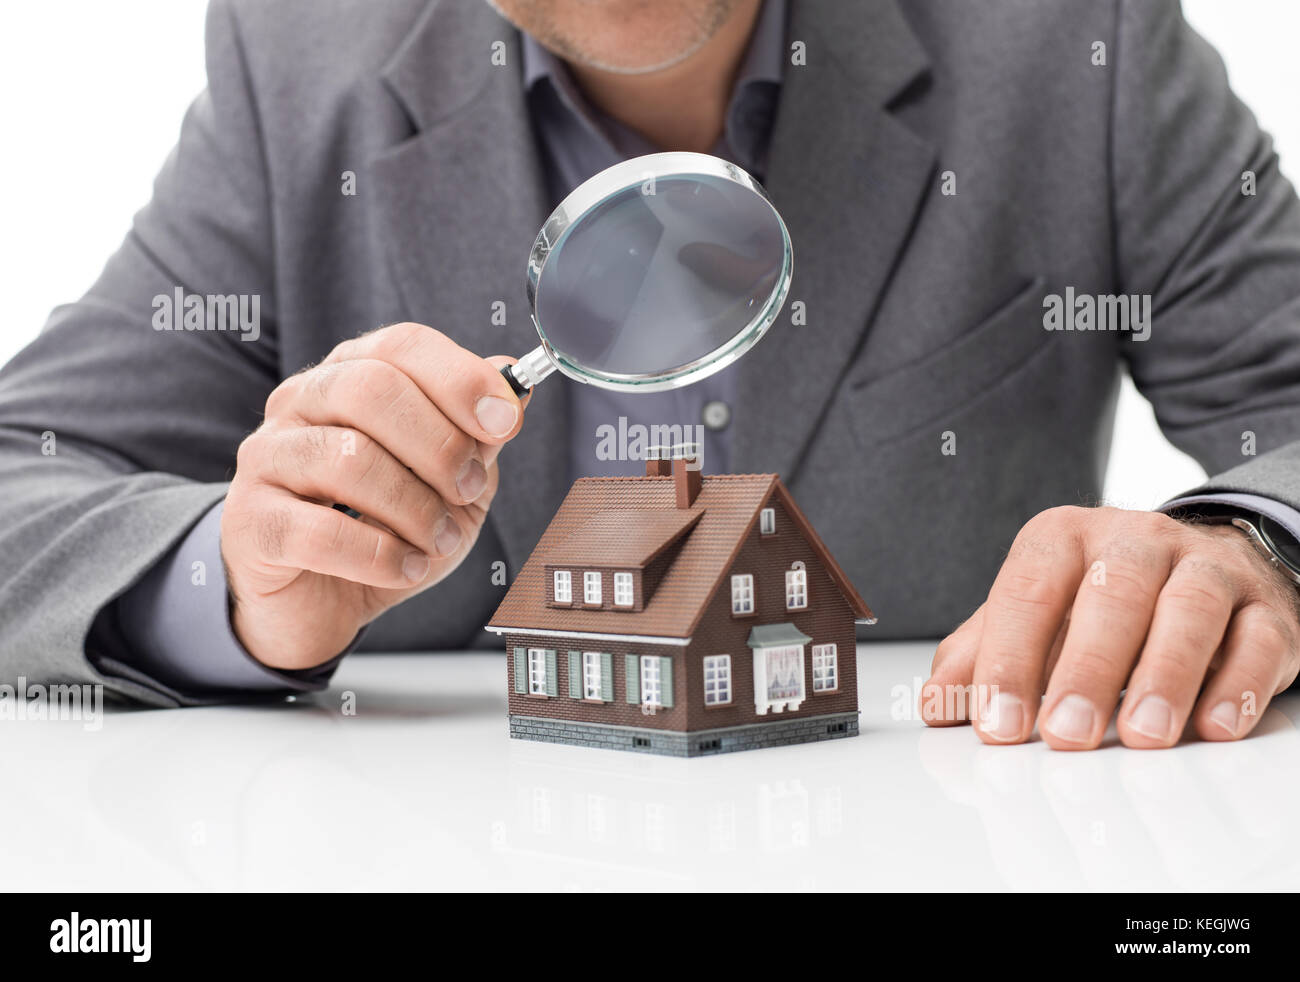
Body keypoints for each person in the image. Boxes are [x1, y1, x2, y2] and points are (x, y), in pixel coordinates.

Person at [1, 0, 1298, 752]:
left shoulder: (1077, 42)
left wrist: (1254, 545)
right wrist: (235, 580)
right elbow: (23, 486)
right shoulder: (298, 71)